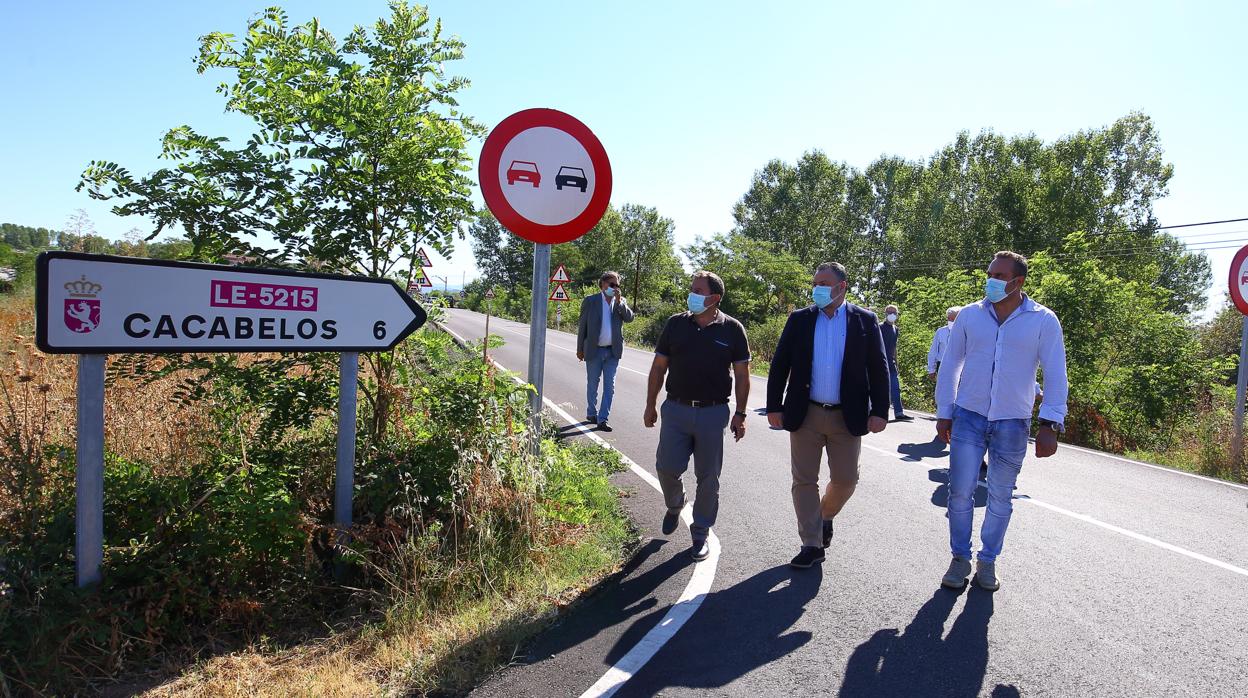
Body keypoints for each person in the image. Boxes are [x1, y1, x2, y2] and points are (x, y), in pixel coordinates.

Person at [935, 251, 1067, 591]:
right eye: (989, 273)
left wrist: (1049, 424)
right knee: (960, 492)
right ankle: (959, 558)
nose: (990, 280)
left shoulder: (1043, 320)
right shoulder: (969, 316)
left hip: (1013, 422)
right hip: (968, 416)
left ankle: (987, 561)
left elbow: (1055, 374)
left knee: (1000, 497)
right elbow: (951, 365)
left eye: (997, 275)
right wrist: (944, 412)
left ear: (1017, 282)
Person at [767, 262, 891, 569]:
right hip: (805, 412)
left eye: (824, 282)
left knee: (846, 479)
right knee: (804, 480)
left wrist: (880, 411)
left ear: (842, 286)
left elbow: (879, 367)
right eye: (815, 282)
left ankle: (824, 516)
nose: (817, 287)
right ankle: (811, 543)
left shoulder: (864, 320)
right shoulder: (800, 319)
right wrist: (773, 406)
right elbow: (780, 363)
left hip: (846, 416)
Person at [643, 271, 750, 561]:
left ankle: (700, 530)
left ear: (714, 298)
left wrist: (740, 414)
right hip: (675, 409)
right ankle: (676, 503)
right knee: (666, 467)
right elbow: (658, 367)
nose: (691, 294)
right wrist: (651, 404)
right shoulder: (676, 324)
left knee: (709, 478)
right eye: (691, 289)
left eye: (697, 290)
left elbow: (742, 375)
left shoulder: (732, 329)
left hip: (713, 413)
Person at [576, 271, 635, 432]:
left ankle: (603, 419)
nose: (615, 288)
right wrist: (579, 349)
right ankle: (591, 413)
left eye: (617, 285)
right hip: (594, 350)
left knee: (610, 386)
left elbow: (630, 318)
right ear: (603, 284)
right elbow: (583, 327)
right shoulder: (590, 301)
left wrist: (620, 302)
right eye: (612, 284)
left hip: (612, 352)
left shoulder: (620, 302)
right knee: (593, 384)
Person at [880, 305, 912, 421]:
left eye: (894, 312)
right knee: (882, 390)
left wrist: (896, 363)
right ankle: (880, 413)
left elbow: (894, 348)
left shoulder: (895, 329)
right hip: (880, 364)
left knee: (895, 388)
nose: (892, 315)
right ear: (885, 313)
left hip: (891, 364)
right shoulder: (879, 327)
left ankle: (899, 413)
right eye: (889, 312)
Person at [926, 307, 961, 380]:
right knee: (943, 388)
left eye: (952, 319)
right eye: (949, 318)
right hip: (942, 365)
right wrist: (931, 369)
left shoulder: (965, 332)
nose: (950, 321)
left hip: (959, 365)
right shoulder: (940, 331)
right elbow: (933, 351)